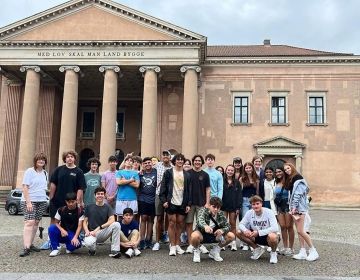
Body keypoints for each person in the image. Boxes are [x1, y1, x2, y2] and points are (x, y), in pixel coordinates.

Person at [284, 162, 319, 261]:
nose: (287, 170)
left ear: (292, 167)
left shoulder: (298, 179)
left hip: (299, 208)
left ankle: (313, 251)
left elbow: (297, 195)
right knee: (299, 231)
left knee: (301, 231)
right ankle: (303, 251)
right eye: (285, 169)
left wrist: (294, 207)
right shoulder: (292, 179)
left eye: (288, 168)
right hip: (295, 208)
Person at [159, 153, 191, 256]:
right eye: (178, 159)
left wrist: (188, 204)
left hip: (182, 202)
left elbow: (189, 191)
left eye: (182, 160)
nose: (180, 161)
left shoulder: (187, 174)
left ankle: (177, 245)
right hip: (171, 201)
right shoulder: (168, 173)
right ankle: (172, 246)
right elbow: (163, 187)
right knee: (172, 223)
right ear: (174, 161)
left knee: (180, 223)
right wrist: (163, 200)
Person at [19, 153, 49, 257]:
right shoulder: (29, 171)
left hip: (41, 200)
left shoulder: (45, 173)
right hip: (30, 200)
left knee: (36, 222)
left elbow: (43, 188)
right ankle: (26, 247)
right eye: (39, 159)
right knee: (29, 222)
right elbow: (25, 187)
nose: (41, 161)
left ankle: (30, 244)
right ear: (35, 161)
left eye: (43, 160)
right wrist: (28, 202)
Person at [190, 197, 235, 263]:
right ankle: (196, 250)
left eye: (218, 207)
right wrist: (205, 226)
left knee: (231, 236)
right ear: (209, 205)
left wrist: (222, 230)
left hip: (215, 235)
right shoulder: (203, 210)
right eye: (214, 207)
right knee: (194, 236)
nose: (216, 209)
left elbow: (228, 226)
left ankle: (215, 251)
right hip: (202, 234)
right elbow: (200, 220)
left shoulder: (221, 214)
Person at [237, 195, 279, 264]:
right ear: (251, 205)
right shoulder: (249, 213)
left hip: (268, 237)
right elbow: (240, 224)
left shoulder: (269, 212)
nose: (256, 206)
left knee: (273, 236)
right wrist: (246, 230)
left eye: (257, 204)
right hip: (255, 236)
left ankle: (273, 253)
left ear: (261, 204)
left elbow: (275, 228)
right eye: (253, 204)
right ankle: (257, 249)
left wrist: (259, 232)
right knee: (239, 232)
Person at [83, 186, 121, 258]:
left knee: (116, 224)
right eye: (98, 194)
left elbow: (112, 220)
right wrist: (86, 231)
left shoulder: (108, 207)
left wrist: (99, 227)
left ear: (104, 195)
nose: (100, 195)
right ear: (95, 195)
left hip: (103, 232)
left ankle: (115, 251)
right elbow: (84, 222)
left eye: (102, 194)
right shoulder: (89, 207)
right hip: (91, 233)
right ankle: (92, 250)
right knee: (89, 242)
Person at [49, 150, 86, 224]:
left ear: (74, 159)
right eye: (68, 157)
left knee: (69, 221)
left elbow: (81, 188)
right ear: (65, 159)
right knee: (54, 220)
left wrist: (78, 201)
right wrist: (51, 197)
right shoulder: (58, 170)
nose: (70, 158)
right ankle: (51, 235)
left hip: (71, 202)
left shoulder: (79, 172)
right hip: (57, 201)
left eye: (72, 157)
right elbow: (53, 184)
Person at [185, 155, 211, 254]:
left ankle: (200, 244)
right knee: (189, 223)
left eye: (199, 161)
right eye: (195, 161)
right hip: (190, 203)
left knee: (201, 224)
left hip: (201, 203)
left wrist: (208, 203)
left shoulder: (205, 175)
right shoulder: (187, 173)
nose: (197, 162)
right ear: (193, 162)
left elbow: (208, 189)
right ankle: (191, 244)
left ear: (202, 162)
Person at [48, 192, 83, 257]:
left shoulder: (80, 211)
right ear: (66, 202)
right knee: (51, 228)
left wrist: (75, 237)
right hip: (62, 232)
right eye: (68, 202)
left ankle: (69, 246)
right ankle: (55, 248)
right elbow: (56, 222)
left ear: (76, 201)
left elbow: (80, 226)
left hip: (72, 233)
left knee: (76, 245)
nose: (70, 204)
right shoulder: (61, 210)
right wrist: (62, 230)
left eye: (73, 202)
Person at [152, 150, 173, 251]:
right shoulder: (157, 165)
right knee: (159, 218)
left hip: (169, 196)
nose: (165, 156)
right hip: (158, 194)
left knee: (169, 218)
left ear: (170, 157)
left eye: (167, 155)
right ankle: (157, 242)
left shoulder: (173, 167)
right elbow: (147, 169)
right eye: (163, 155)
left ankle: (168, 238)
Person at [274, 166, 294, 256]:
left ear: (283, 172)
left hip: (288, 205)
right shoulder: (276, 182)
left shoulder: (289, 181)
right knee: (282, 226)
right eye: (276, 172)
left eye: (280, 171)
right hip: (279, 206)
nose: (278, 173)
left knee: (289, 226)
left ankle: (291, 248)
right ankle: (285, 247)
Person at [221, 164, 242, 251]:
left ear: (234, 172)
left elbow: (239, 195)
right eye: (228, 170)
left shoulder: (237, 182)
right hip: (223, 206)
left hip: (233, 206)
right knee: (222, 224)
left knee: (232, 224)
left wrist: (238, 207)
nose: (230, 172)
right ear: (226, 171)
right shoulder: (222, 180)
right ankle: (222, 242)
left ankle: (233, 242)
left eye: (231, 170)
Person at [138, 157, 157, 250]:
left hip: (153, 199)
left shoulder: (156, 172)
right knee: (144, 218)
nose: (147, 164)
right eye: (145, 163)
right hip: (142, 198)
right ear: (143, 165)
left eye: (149, 162)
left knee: (151, 219)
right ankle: (141, 240)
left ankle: (148, 240)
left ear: (152, 163)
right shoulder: (140, 174)